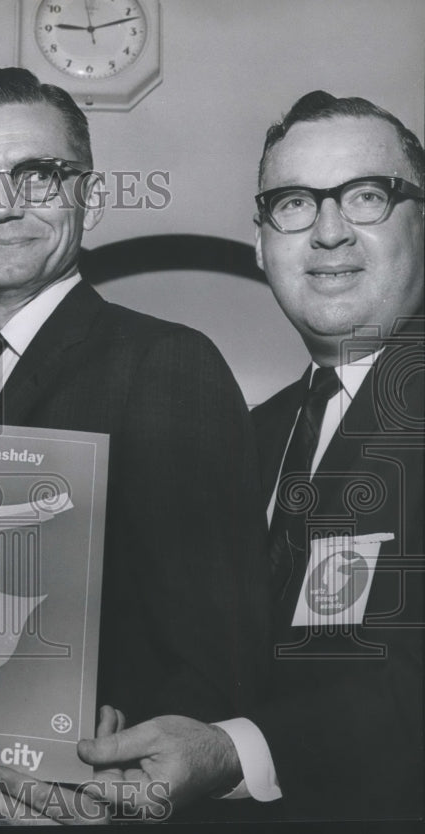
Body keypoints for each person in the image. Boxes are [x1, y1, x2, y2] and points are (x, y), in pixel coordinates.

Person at [42, 92, 424, 824]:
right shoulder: (252, 435)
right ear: (259, 244)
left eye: (367, 197)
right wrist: (121, 724)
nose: (330, 232)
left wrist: (231, 753)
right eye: (294, 205)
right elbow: (218, 655)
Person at [0, 67, 271, 822]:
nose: (1, 205)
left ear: (90, 198)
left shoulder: (167, 365)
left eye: (37, 176)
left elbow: (219, 661)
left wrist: (102, 775)